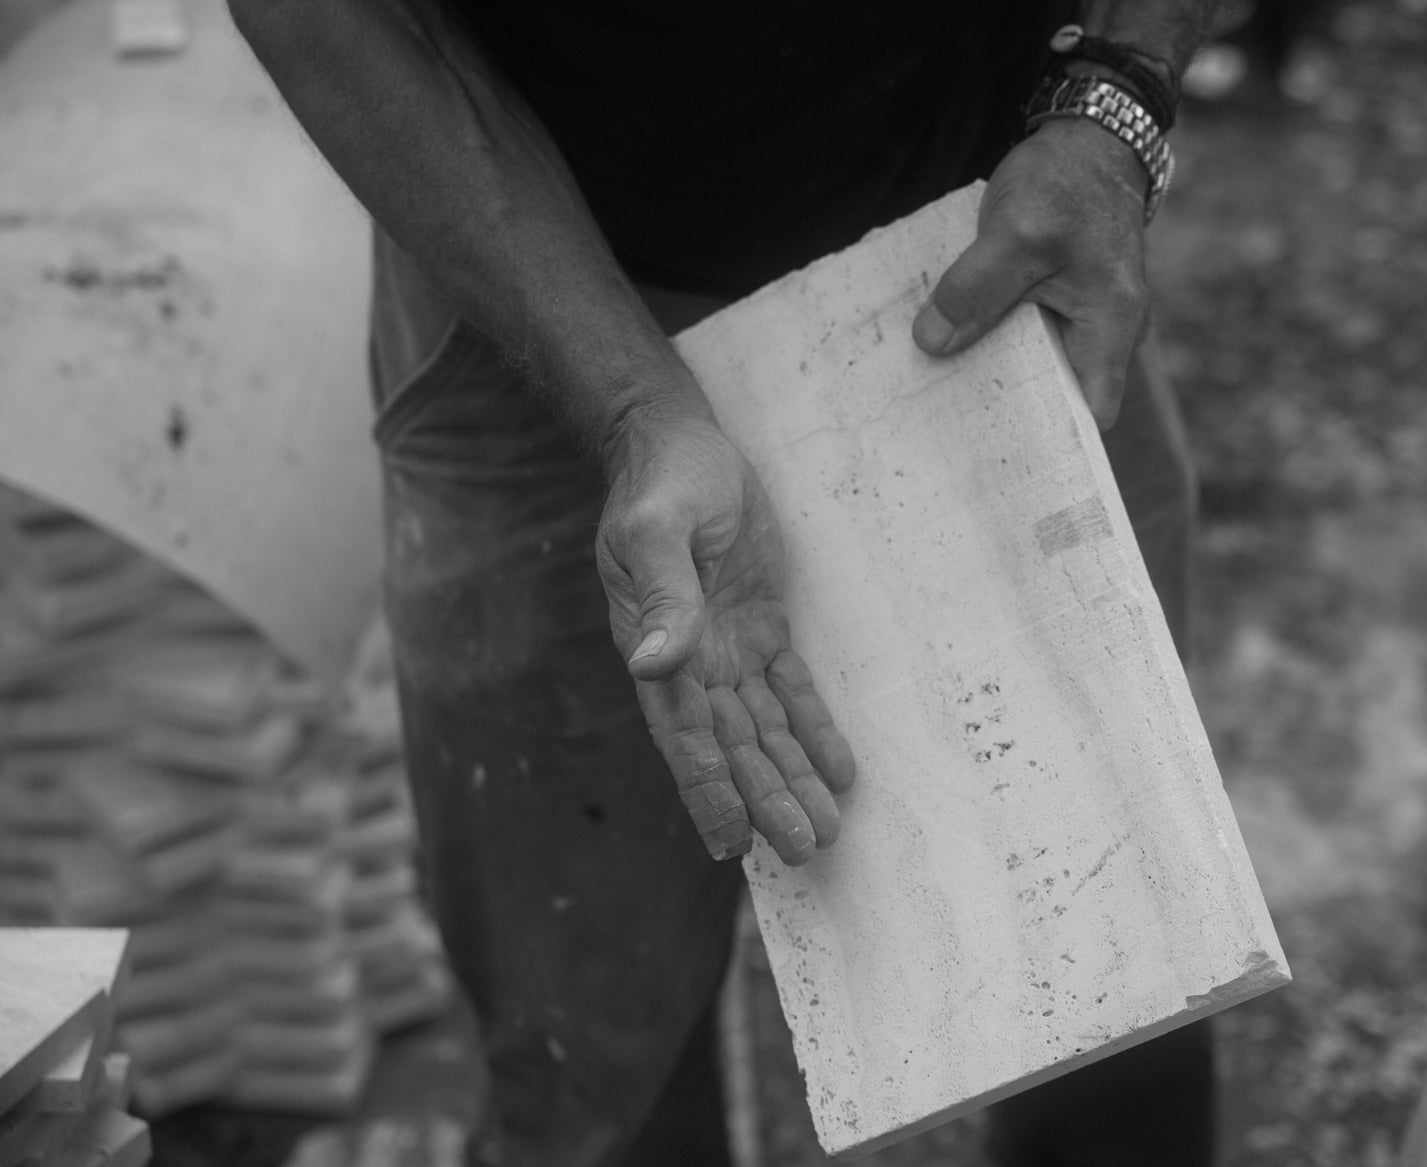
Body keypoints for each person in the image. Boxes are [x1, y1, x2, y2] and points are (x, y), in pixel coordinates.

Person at [229, 3, 1220, 1163]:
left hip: (987, 222)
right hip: (527, 248)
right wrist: (630, 404)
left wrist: (1116, 99)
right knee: (584, 1016)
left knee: (1128, 929)